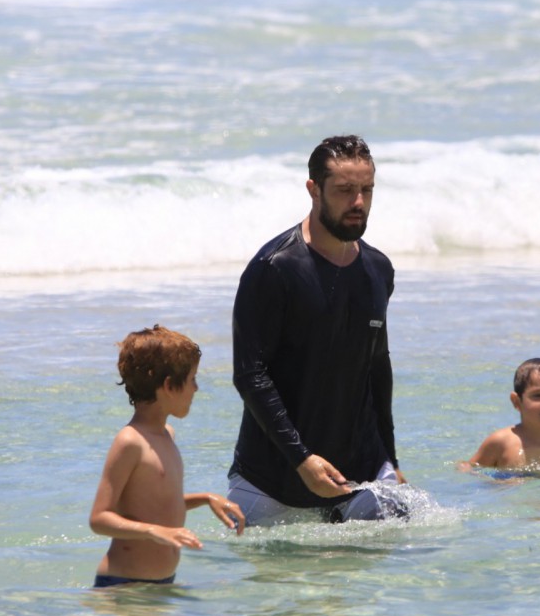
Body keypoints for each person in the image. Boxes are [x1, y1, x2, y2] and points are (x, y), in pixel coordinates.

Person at [228, 135, 407, 526]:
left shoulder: (378, 269)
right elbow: (250, 375)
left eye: (366, 190)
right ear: (313, 189)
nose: (358, 202)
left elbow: (377, 365)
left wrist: (389, 458)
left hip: (362, 478)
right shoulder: (274, 268)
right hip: (273, 484)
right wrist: (302, 459)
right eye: (345, 191)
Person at [89, 325, 245, 588]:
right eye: (193, 379)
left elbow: (156, 507)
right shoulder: (130, 442)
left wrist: (206, 498)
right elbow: (99, 518)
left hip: (162, 583)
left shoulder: (167, 436)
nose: (196, 388)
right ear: (169, 386)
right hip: (124, 586)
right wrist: (154, 531)